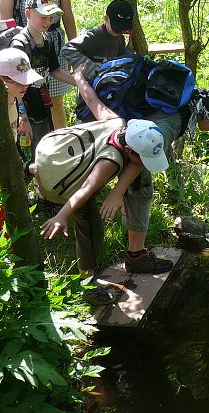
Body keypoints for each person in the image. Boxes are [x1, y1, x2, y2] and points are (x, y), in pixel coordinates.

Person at [72, 65, 209, 274]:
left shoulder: (185, 97)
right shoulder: (174, 122)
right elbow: (141, 157)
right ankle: (125, 261)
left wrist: (79, 79)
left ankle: (130, 255)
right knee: (136, 191)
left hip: (111, 134)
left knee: (129, 190)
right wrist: (117, 192)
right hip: (116, 146)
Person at [32, 115, 169, 304]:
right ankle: (87, 285)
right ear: (128, 150)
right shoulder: (111, 161)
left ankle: (28, 168)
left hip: (51, 152)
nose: (143, 164)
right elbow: (86, 188)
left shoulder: (117, 124)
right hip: (66, 187)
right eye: (143, 159)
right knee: (92, 232)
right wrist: (61, 216)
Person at [0, 0, 77, 131]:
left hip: (54, 45)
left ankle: (59, 138)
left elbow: (68, 16)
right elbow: (5, 25)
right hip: (24, 49)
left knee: (55, 101)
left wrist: (75, 52)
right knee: (26, 99)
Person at [0, 48, 43, 235]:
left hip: (4, 170)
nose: (25, 85)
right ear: (1, 80)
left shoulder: (13, 98)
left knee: (10, 218)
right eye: (18, 81)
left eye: (26, 80)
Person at [14, 0, 76, 158]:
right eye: (43, 17)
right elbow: (15, 85)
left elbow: (54, 70)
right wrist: (22, 117)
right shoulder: (20, 44)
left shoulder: (47, 39)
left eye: (51, 17)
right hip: (25, 109)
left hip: (43, 104)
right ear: (28, 13)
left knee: (44, 149)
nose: (49, 21)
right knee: (27, 155)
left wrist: (79, 82)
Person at [61, 0, 134, 80]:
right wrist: (94, 71)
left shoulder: (120, 39)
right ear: (106, 19)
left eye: (123, 29)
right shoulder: (94, 36)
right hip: (91, 82)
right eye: (116, 28)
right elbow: (67, 49)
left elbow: (122, 58)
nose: (119, 32)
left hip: (110, 82)